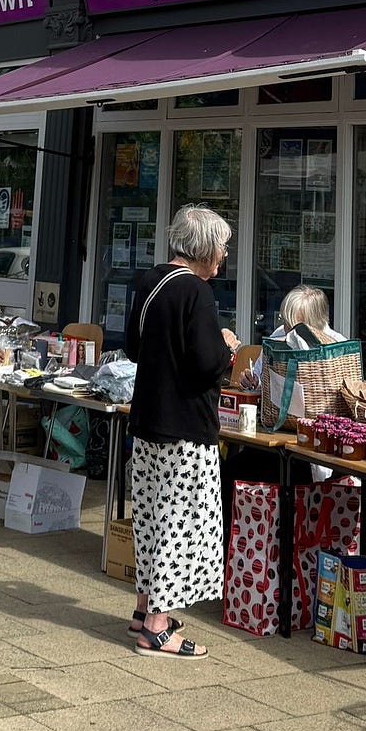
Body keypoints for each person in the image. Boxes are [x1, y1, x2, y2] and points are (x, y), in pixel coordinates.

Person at [125, 204, 241, 659]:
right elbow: (207, 363)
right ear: (206, 248)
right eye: (223, 247)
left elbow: (133, 347)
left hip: (148, 419)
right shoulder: (196, 293)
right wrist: (229, 346)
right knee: (182, 522)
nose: (224, 257)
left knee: (152, 517)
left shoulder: (148, 281)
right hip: (186, 427)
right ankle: (156, 628)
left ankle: (143, 608)